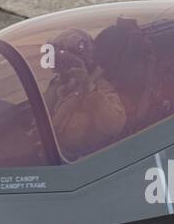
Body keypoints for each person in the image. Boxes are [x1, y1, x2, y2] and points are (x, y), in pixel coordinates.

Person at [43, 28, 126, 161]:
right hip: (50, 153)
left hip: (76, 162)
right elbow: (39, 116)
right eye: (60, 63)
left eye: (68, 62)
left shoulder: (100, 88)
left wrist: (89, 88)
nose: (61, 67)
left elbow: (115, 125)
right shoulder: (61, 86)